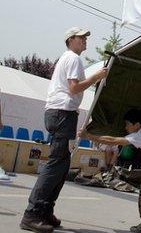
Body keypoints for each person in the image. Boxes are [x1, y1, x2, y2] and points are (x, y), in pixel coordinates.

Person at [20, 27, 107, 233]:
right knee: (56, 164)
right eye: (82, 37)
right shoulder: (73, 59)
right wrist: (97, 76)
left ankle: (45, 210)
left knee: (61, 165)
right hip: (62, 114)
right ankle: (32, 213)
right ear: (71, 40)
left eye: (86, 37)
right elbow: (74, 88)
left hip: (60, 114)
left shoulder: (68, 58)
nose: (85, 40)